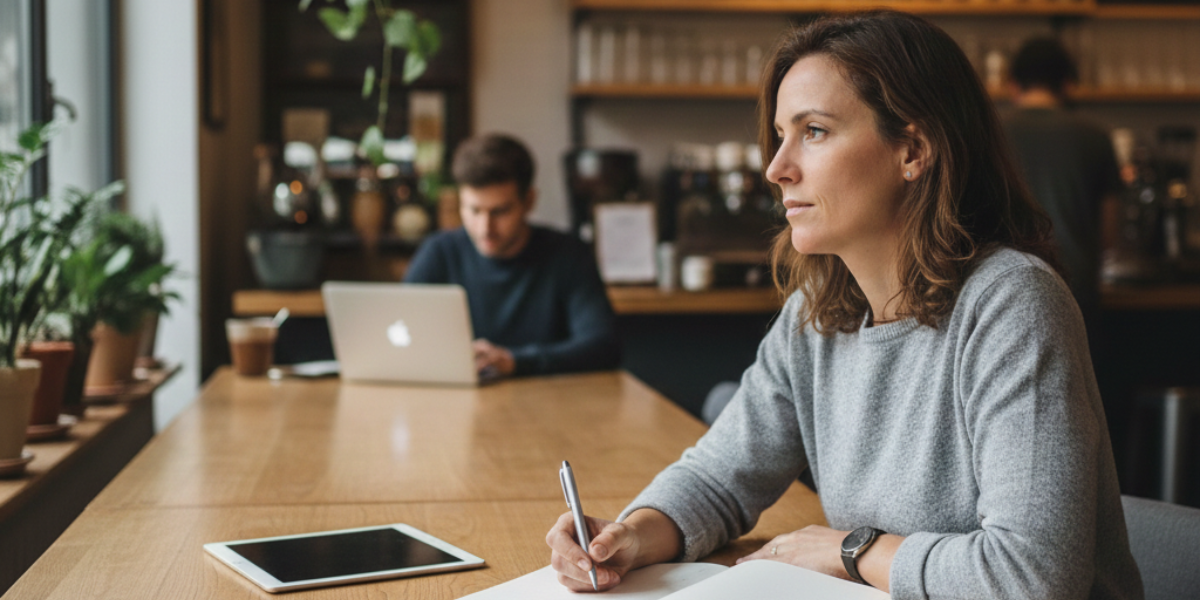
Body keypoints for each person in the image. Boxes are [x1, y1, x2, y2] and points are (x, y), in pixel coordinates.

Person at [546, 11, 1142, 600]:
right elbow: (719, 478)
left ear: (912, 150)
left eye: (814, 131)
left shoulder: (1012, 304)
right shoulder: (818, 312)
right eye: (780, 135)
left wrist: (849, 549)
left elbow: (1031, 577)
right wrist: (627, 535)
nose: (777, 168)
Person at [404, 134, 620, 380]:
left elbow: (604, 345)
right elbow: (399, 333)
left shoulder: (568, 254)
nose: (485, 227)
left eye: (500, 211)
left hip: (551, 405)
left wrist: (515, 362)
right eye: (473, 210)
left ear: (529, 201)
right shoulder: (439, 252)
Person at [1002, 36, 1122, 322]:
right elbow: (1109, 232)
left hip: (1006, 288)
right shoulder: (1096, 136)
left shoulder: (992, 132)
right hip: (1077, 288)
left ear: (1013, 85)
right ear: (1068, 84)